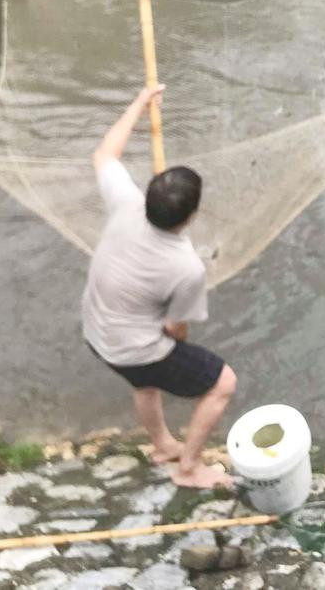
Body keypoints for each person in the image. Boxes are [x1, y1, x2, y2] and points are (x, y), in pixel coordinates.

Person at [81, 85, 237, 489]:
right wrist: (173, 336)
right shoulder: (185, 267)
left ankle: (164, 444)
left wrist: (139, 102)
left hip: (97, 333)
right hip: (132, 346)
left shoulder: (126, 204)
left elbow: (104, 155)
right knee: (222, 383)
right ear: (191, 216)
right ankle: (188, 469)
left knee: (145, 381)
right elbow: (176, 328)